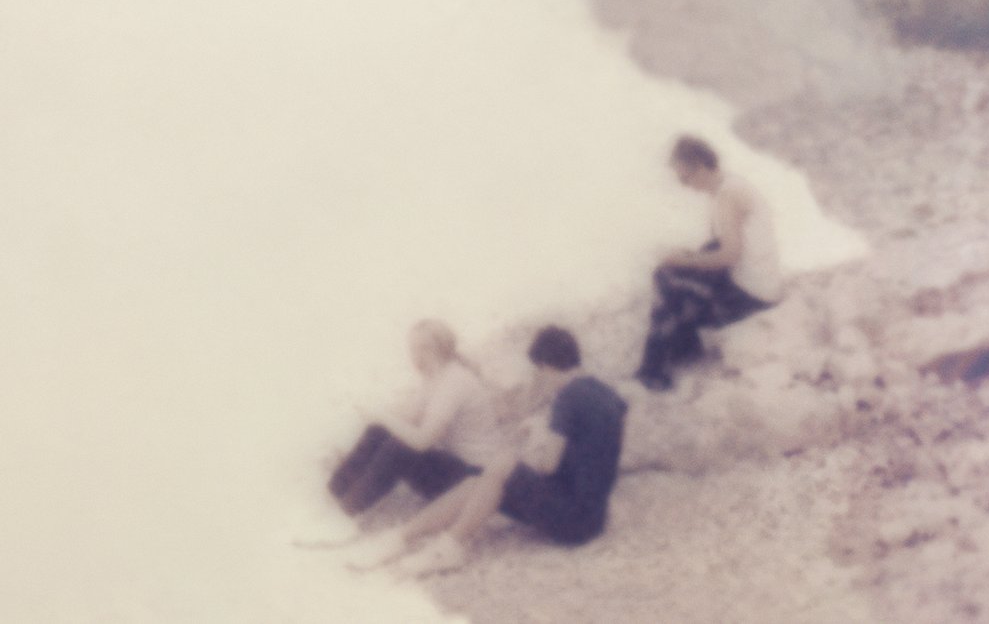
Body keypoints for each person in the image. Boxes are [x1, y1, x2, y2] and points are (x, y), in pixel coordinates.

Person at [356, 325, 627, 576]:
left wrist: (539, 436)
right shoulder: (603, 392)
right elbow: (595, 447)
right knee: (480, 480)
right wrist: (550, 432)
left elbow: (547, 466)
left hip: (573, 520)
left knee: (504, 464)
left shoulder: (567, 398)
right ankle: (403, 537)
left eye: (538, 372)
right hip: (593, 515)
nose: (539, 378)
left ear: (544, 366)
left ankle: (450, 546)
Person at [636, 133, 782, 390]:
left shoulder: (727, 196)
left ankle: (653, 368)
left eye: (685, 177)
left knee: (667, 280)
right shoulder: (728, 187)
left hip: (752, 294)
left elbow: (729, 255)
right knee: (676, 274)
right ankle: (684, 350)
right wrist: (685, 258)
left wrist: (684, 260)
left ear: (700, 167)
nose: (684, 185)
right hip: (752, 281)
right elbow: (725, 247)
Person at [327, 321, 504, 516]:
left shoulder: (454, 382)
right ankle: (335, 492)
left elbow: (422, 441)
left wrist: (382, 416)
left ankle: (349, 510)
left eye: (423, 348)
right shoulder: (435, 377)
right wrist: (376, 414)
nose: (416, 355)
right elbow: (409, 418)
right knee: (379, 431)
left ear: (441, 348)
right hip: (458, 467)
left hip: (476, 479)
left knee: (401, 446)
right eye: (412, 348)